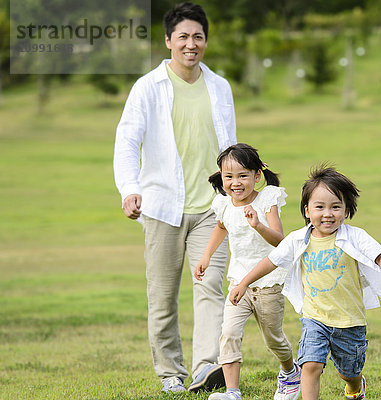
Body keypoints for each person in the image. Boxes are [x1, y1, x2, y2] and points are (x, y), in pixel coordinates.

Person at [113, 2, 236, 393]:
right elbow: (128, 142)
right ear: (168, 41)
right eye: (182, 36)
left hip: (211, 210)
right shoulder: (147, 88)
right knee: (163, 298)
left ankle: (205, 367)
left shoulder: (219, 87)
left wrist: (240, 193)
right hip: (162, 207)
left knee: (210, 287)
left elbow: (230, 146)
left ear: (206, 41)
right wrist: (130, 189)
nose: (190, 43)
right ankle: (170, 372)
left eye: (198, 36)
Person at [230, 166, 381, 400]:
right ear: (307, 210)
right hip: (315, 318)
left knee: (349, 372)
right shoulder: (297, 239)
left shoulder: (355, 236)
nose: (328, 213)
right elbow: (271, 261)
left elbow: (380, 256)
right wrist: (244, 283)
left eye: (336, 207)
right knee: (310, 365)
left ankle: (355, 386)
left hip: (350, 321)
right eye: (319, 207)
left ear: (346, 210)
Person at [193, 143, 301, 400]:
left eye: (243, 175)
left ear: (256, 176)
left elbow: (280, 241)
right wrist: (205, 257)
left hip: (269, 283)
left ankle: (290, 371)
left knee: (273, 339)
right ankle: (232, 392)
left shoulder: (267, 200)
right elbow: (221, 227)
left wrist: (258, 225)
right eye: (228, 177)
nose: (235, 183)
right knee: (228, 333)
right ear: (221, 177)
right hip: (238, 283)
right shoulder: (223, 204)